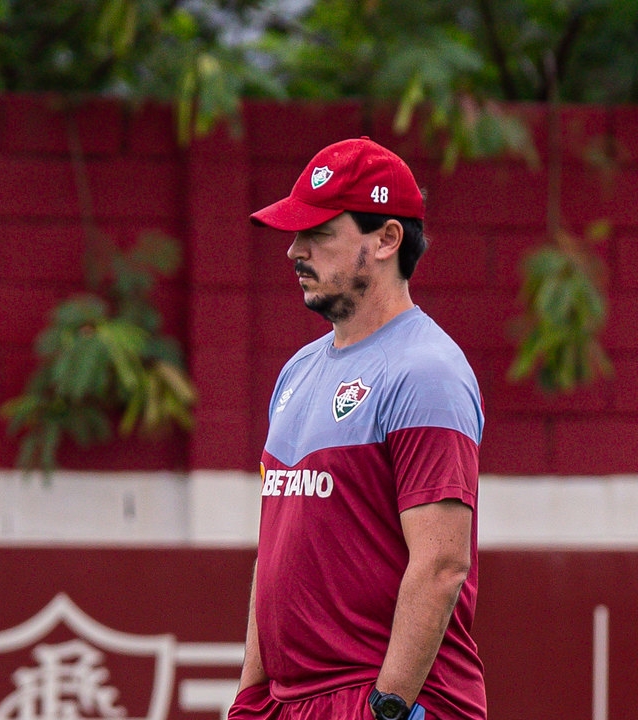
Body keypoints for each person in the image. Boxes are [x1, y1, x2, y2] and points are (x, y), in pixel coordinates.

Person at [228, 137, 485, 720]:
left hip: (383, 698)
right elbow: (274, 553)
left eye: (318, 234)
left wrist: (387, 707)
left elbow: (442, 566)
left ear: (387, 239)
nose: (295, 251)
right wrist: (251, 696)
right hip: (291, 702)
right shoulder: (297, 371)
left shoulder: (426, 371)